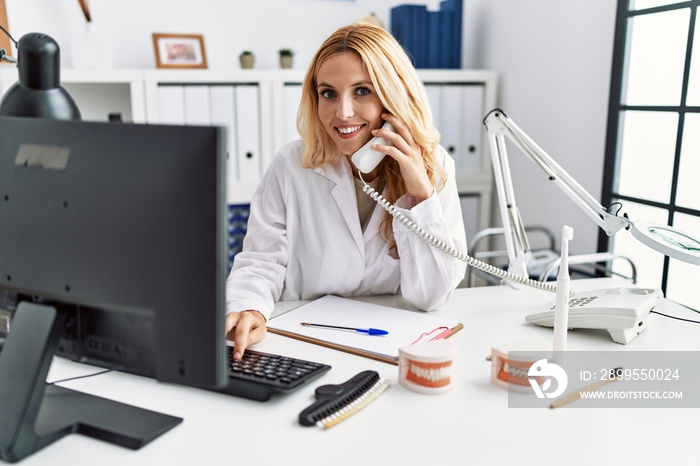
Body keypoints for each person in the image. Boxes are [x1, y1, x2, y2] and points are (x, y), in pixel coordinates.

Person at [225, 22, 467, 359]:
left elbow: (432, 297)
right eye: (329, 93)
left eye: (362, 91)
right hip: (305, 342)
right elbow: (261, 260)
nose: (343, 113)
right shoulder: (293, 163)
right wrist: (250, 307)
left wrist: (419, 193)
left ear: (394, 96)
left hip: (387, 348)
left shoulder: (434, 165)